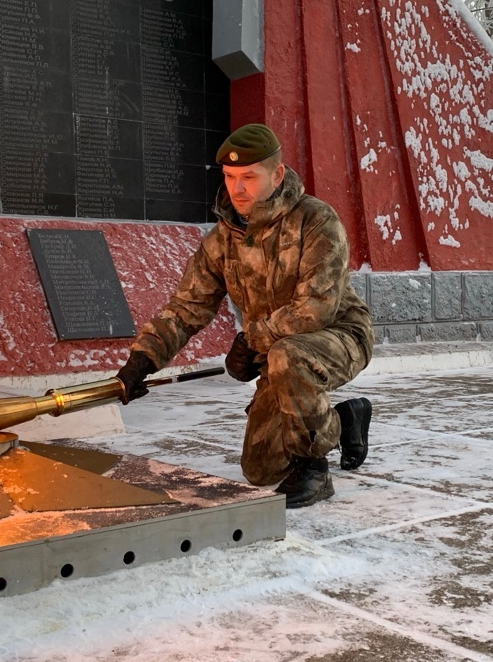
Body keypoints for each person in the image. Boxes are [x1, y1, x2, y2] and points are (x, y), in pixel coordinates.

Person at [115, 123, 374, 508]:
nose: (237, 189)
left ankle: (314, 469)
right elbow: (188, 307)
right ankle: (342, 420)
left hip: (337, 336)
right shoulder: (222, 240)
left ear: (278, 174)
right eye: (230, 177)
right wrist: (142, 361)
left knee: (289, 357)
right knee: (260, 469)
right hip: (277, 350)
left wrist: (251, 342)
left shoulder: (316, 221)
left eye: (249, 177)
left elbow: (314, 310)